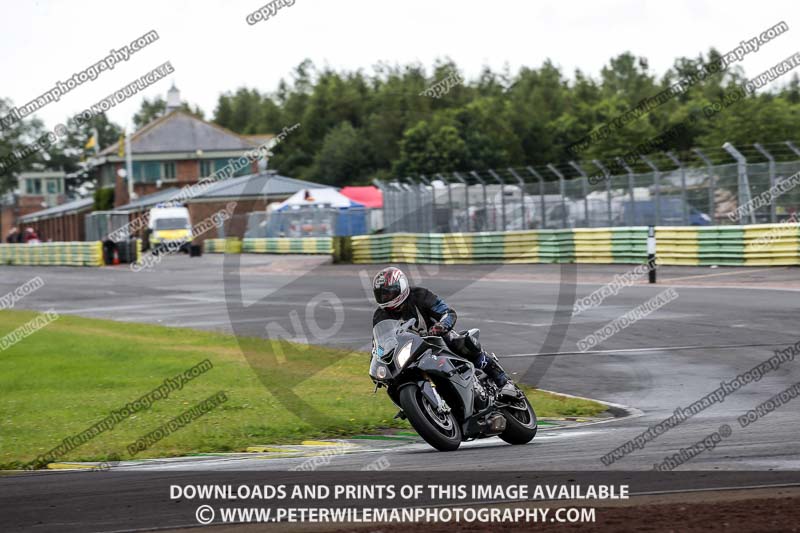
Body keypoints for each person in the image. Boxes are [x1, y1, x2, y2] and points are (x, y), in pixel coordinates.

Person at [371, 266, 509, 387]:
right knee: (395, 380)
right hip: (411, 353)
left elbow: (448, 312)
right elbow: (379, 344)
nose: (385, 298)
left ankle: (502, 380)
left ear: (401, 286)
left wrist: (441, 326)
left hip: (437, 340)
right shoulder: (380, 316)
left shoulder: (420, 295)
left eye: (389, 292)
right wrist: (377, 365)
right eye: (381, 294)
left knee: (462, 342)